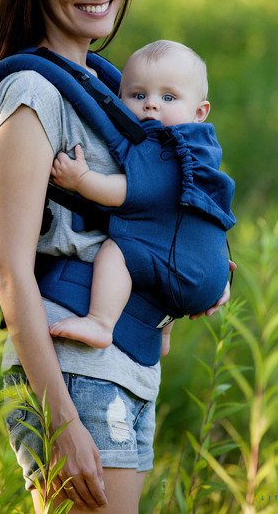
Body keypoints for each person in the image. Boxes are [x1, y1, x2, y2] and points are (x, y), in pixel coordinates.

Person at [0, 0, 234, 513]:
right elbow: (10, 272)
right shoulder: (34, 93)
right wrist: (60, 422)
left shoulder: (116, 90)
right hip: (74, 373)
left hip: (122, 362)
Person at [49, 39, 235, 352]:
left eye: (168, 96)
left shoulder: (163, 153)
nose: (150, 104)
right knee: (160, 242)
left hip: (187, 276)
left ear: (199, 111)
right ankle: (162, 333)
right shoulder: (202, 151)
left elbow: (122, 193)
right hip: (214, 273)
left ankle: (100, 322)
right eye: (138, 95)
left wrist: (80, 179)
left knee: (117, 250)